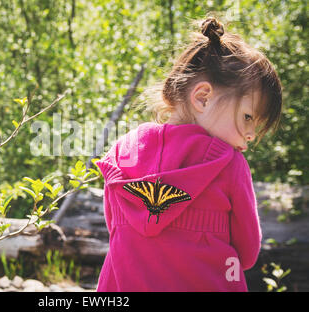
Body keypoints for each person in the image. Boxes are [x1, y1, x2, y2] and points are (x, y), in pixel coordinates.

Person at [95, 17, 282, 291]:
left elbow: (116, 229)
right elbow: (248, 251)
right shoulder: (229, 165)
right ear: (203, 97)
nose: (251, 134)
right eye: (247, 117)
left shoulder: (122, 152)